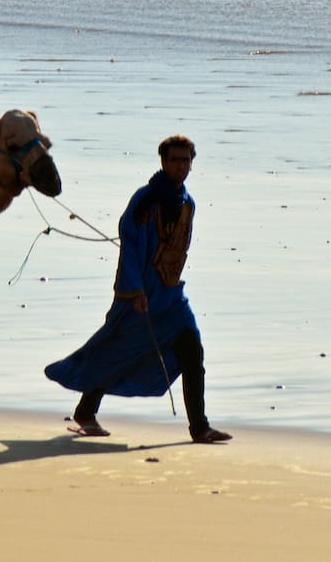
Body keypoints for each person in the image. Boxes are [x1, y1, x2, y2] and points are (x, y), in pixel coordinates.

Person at [45, 135, 231, 443]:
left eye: (185, 160)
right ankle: (85, 411)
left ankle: (200, 427)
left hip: (171, 298)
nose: (180, 166)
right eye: (175, 160)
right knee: (114, 353)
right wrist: (134, 291)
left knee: (192, 351)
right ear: (163, 162)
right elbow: (130, 246)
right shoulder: (144, 201)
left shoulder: (189, 204)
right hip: (139, 296)